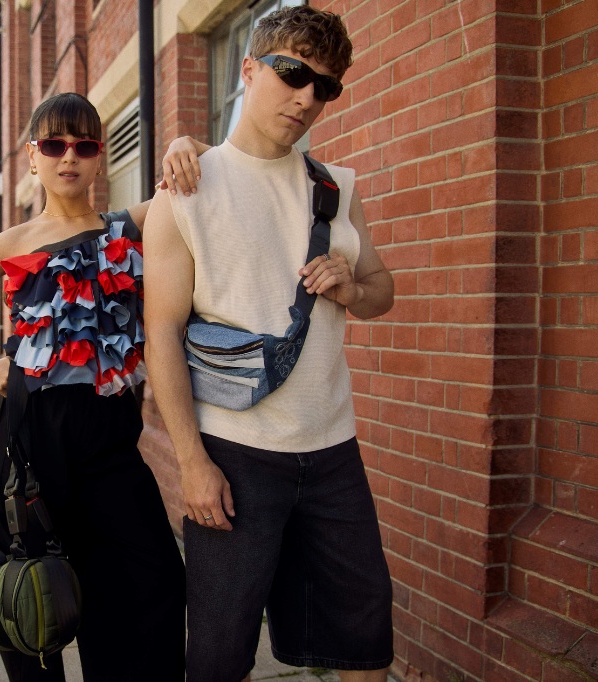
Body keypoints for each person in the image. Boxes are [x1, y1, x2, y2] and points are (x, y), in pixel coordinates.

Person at [143, 7, 395, 682]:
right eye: (293, 73)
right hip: (236, 456)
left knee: (365, 638)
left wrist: (351, 287)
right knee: (220, 652)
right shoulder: (185, 190)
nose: (307, 97)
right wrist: (192, 462)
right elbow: (161, 334)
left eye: (325, 87)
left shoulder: (336, 189)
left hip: (334, 451)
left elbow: (382, 291)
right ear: (248, 69)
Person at [0, 92, 189, 681]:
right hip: (26, 446)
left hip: (111, 446)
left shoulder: (129, 226)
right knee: (30, 605)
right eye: (54, 144)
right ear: (32, 156)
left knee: (154, 584)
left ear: (99, 158)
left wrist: (183, 145)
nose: (70, 156)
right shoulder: (14, 241)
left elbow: (192, 186)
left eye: (85, 145)